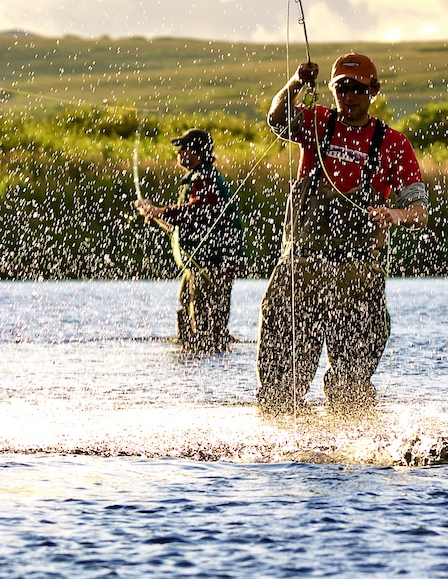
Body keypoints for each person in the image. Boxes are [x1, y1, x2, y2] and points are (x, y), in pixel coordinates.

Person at [256, 52, 429, 415]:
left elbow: (419, 215)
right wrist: (296, 82)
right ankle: (280, 448)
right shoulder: (316, 123)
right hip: (301, 268)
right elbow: (276, 119)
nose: (349, 97)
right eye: (342, 88)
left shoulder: (393, 144)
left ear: (374, 91)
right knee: (279, 380)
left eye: (358, 89)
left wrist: (394, 214)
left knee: (351, 383)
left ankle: (352, 447)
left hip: (358, 274)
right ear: (333, 89)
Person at [133, 128, 245, 353]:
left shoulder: (205, 178)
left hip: (213, 263)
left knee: (205, 322)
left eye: (185, 148)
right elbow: (187, 221)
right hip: (200, 263)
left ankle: (204, 355)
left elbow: (196, 211)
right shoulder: (199, 177)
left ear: (200, 154)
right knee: (187, 305)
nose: (180, 152)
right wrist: (156, 214)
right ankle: (193, 348)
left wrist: (159, 211)